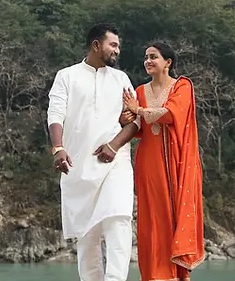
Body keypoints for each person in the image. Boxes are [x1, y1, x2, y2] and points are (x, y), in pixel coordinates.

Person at [46, 22, 140, 281]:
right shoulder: (67, 76)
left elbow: (135, 120)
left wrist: (113, 145)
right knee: (88, 235)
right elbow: (55, 114)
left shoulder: (121, 79)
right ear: (96, 45)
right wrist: (58, 147)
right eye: (113, 45)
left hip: (115, 162)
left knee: (119, 221)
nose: (117, 51)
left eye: (118, 46)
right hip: (78, 164)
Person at [121, 42, 205, 281]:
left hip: (176, 161)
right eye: (146, 57)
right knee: (151, 218)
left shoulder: (182, 86)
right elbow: (135, 126)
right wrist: (126, 115)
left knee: (173, 214)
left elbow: (170, 114)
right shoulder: (138, 91)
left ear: (168, 62)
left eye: (154, 57)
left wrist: (138, 111)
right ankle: (154, 275)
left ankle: (176, 274)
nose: (148, 61)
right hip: (148, 161)